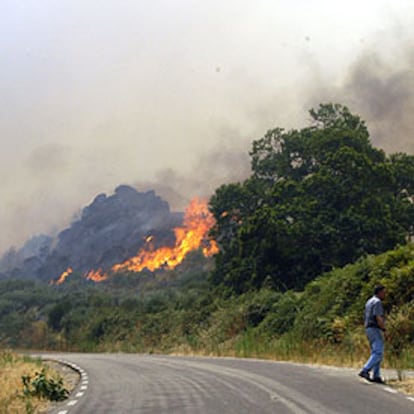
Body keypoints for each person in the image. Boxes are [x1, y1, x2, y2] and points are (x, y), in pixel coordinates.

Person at [358, 284, 386, 383]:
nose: (385, 294)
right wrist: (384, 328)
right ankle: (365, 369)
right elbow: (378, 317)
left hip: (368, 328)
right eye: (383, 292)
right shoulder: (377, 302)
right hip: (375, 328)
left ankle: (376, 375)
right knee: (378, 352)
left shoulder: (369, 301)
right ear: (379, 292)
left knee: (375, 352)